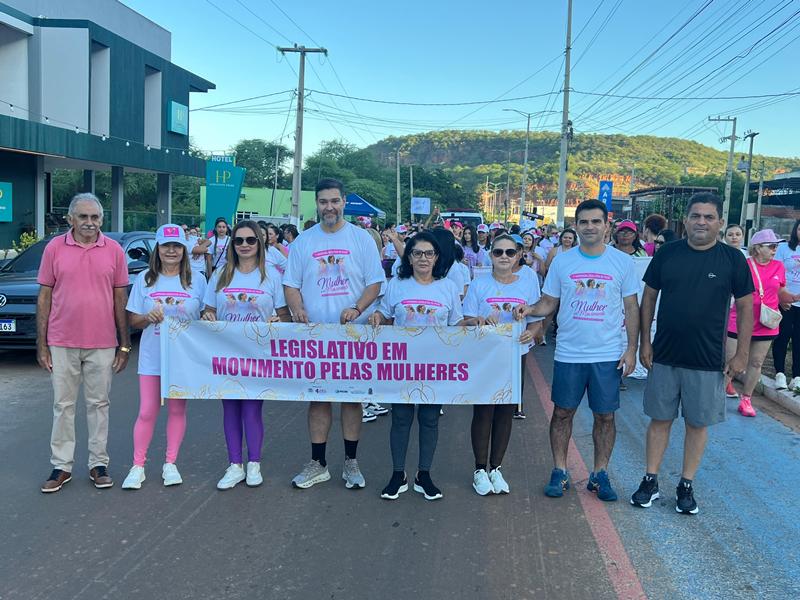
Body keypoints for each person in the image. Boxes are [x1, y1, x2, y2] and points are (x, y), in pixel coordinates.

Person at [632, 192, 754, 515]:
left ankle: (686, 484)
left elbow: (746, 308)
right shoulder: (667, 254)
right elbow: (648, 298)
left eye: (709, 217)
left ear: (720, 222)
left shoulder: (733, 259)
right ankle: (650, 480)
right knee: (660, 419)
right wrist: (645, 343)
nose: (702, 222)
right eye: (696, 216)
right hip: (665, 354)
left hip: (708, 359)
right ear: (685, 220)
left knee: (697, 424)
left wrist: (741, 354)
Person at [515, 199, 640, 503]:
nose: (590, 227)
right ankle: (559, 470)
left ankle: (600, 473)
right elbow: (549, 302)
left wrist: (631, 349)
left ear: (606, 225)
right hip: (569, 353)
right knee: (562, 413)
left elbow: (631, 307)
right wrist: (530, 309)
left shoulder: (622, 263)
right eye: (584, 222)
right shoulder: (563, 262)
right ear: (576, 226)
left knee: (605, 416)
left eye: (596, 221)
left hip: (607, 354)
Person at [283, 178, 385, 490]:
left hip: (353, 334)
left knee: (352, 399)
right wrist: (297, 308)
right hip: (316, 335)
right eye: (324, 202)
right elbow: (291, 284)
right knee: (318, 398)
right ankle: (318, 463)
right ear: (317, 204)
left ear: (343, 203)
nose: (329, 207)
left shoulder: (361, 239)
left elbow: (375, 283)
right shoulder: (304, 241)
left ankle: (351, 463)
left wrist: (357, 308)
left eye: (335, 201)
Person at [37, 193, 131, 493]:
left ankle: (98, 464)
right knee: (63, 405)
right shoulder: (54, 248)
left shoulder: (114, 250)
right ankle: (61, 466)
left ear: (102, 219)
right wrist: (41, 344)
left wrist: (124, 344)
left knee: (99, 404)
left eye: (94, 217)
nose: (89, 222)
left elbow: (120, 298)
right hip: (62, 340)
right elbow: (44, 296)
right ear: (71, 219)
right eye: (83, 217)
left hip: (102, 342)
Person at [369, 232, 464, 501]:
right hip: (402, 365)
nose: (423, 258)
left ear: (437, 258)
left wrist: (477, 324)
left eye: (429, 253)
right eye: (417, 253)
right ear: (408, 258)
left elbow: (456, 324)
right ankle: (398, 475)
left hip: (436, 366)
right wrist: (377, 317)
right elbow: (385, 314)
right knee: (400, 418)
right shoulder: (397, 285)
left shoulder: (448, 287)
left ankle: (424, 475)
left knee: (430, 419)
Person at [202, 220, 291, 490]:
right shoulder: (221, 274)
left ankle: (254, 463)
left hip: (257, 354)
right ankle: (234, 465)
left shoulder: (271, 276)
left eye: (250, 240)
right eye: (239, 240)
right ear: (232, 244)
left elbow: (284, 315)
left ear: (259, 243)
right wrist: (208, 316)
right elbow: (208, 309)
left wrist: (278, 321)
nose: (244, 245)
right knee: (230, 408)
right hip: (225, 353)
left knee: (252, 408)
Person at [122, 225, 207, 489]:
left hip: (183, 359)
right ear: (157, 249)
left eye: (177, 246)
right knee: (147, 411)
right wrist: (147, 318)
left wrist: (209, 316)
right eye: (166, 246)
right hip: (152, 357)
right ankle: (138, 466)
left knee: (177, 410)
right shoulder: (145, 279)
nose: (171, 251)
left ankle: (170, 463)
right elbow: (132, 320)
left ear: (184, 249)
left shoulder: (198, 280)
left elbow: (206, 317)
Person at [463, 234, 542, 495]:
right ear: (491, 255)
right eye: (498, 252)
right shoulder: (479, 284)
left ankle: (496, 468)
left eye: (509, 252)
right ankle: (479, 469)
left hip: (514, 354)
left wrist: (531, 332)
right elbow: (466, 319)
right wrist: (479, 321)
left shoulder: (528, 283)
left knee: (506, 411)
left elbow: (536, 319)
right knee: (484, 411)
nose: (504, 257)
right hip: (485, 355)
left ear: (518, 255)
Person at [726, 230, 794, 416]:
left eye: (776, 246)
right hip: (739, 320)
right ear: (757, 248)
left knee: (756, 362)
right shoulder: (743, 265)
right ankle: (716, 395)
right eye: (771, 246)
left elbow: (781, 291)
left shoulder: (779, 266)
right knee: (730, 361)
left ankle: (746, 399)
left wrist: (793, 298)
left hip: (766, 321)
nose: (774, 249)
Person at [773, 219, 800, 390]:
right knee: (782, 336)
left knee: (798, 340)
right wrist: (781, 297)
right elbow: (775, 273)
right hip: (786, 302)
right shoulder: (784, 248)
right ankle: (780, 373)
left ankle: (797, 376)